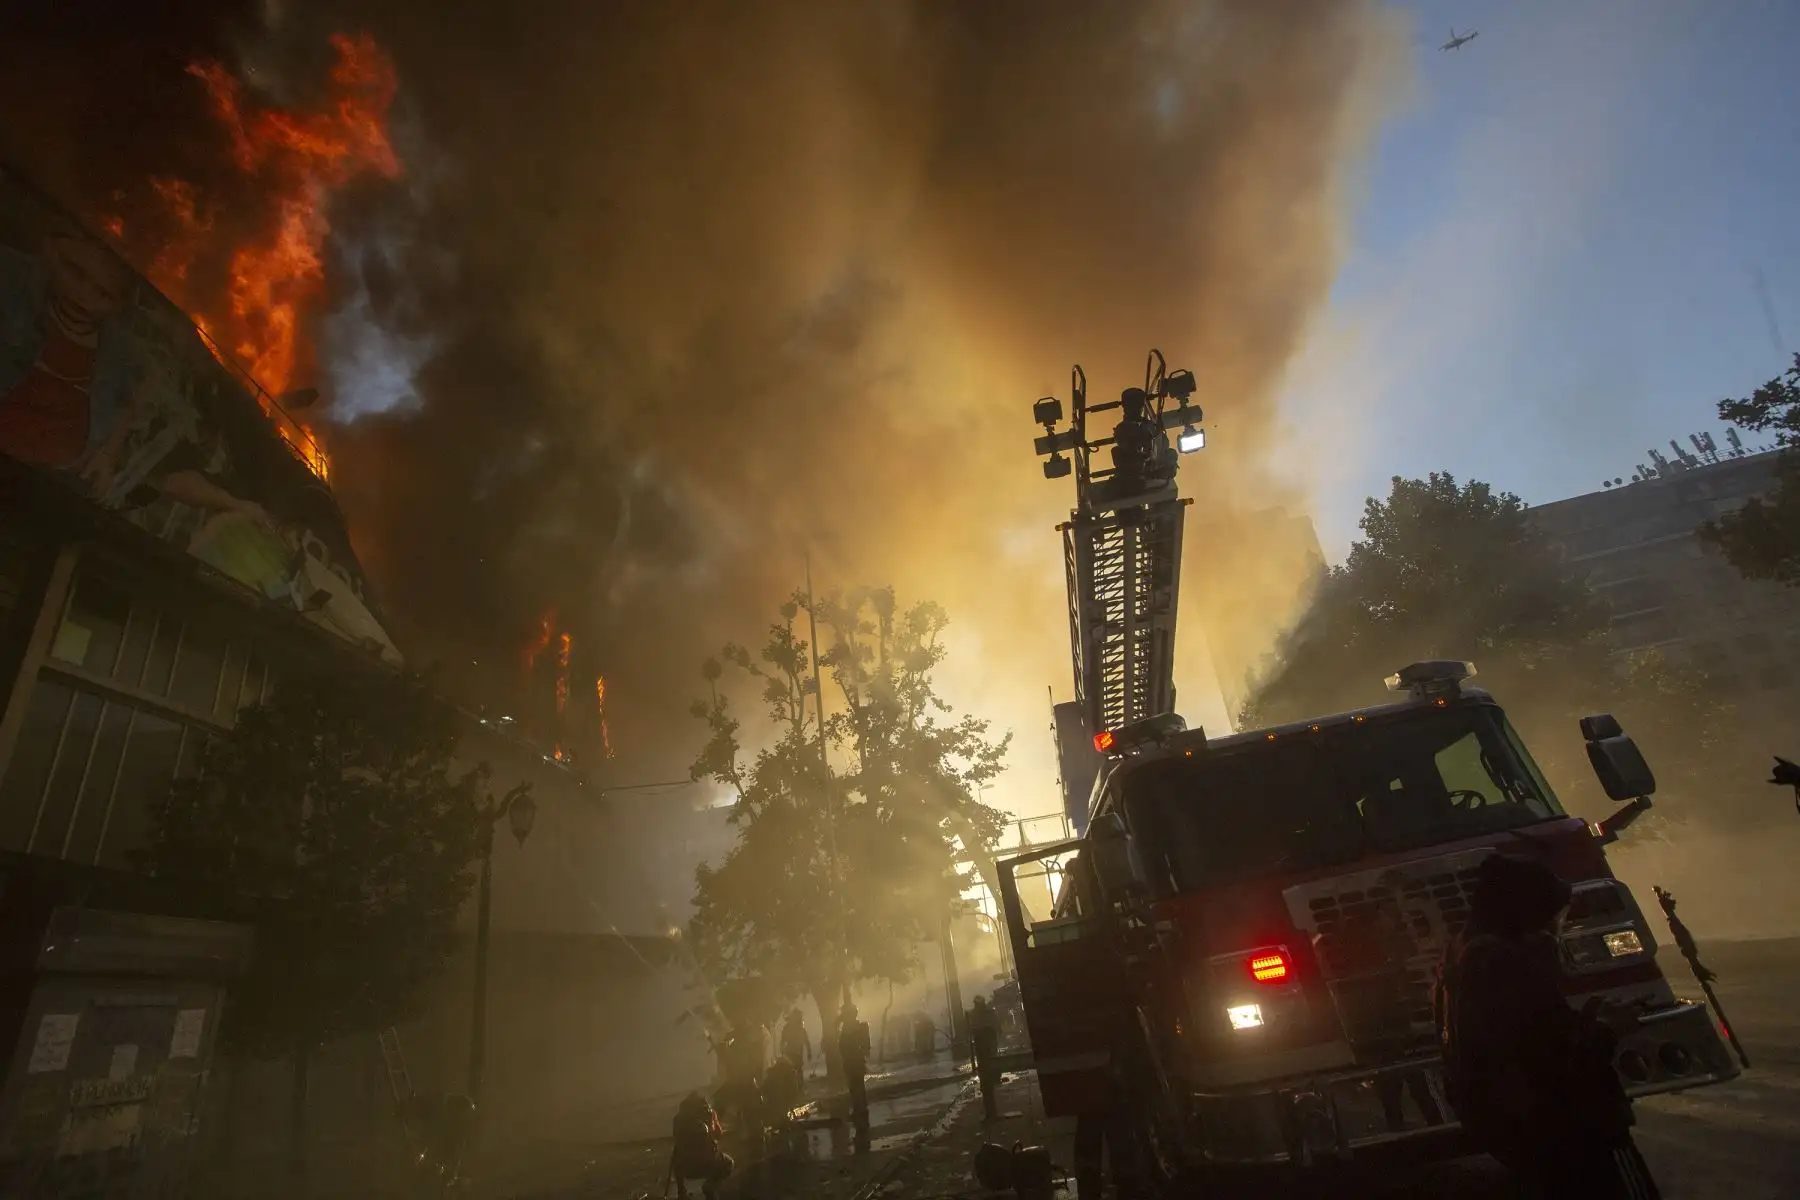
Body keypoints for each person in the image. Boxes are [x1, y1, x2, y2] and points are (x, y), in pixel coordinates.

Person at [1435, 853, 1660, 1199]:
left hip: (1521, 1133)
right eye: (1548, 914)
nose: (1553, 926)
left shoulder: (1463, 954)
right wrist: (1610, 1029)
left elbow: (1523, 1032)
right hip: (1564, 1133)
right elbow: (1554, 1061)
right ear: (1522, 911)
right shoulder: (1501, 964)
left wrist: (1593, 1011)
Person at [668, 1092, 733, 1200]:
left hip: (686, 1169)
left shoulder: (678, 1119)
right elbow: (719, 1135)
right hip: (708, 1165)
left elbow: (677, 1140)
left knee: (676, 1153)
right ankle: (711, 1185)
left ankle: (681, 1192)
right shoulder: (710, 1113)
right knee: (729, 1163)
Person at [838, 1002, 872, 1151]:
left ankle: (861, 1111)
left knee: (857, 1086)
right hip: (850, 1063)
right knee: (855, 1087)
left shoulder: (859, 1027)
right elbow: (842, 1047)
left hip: (855, 1062)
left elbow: (865, 1045)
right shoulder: (846, 1029)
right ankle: (860, 1110)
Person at [969, 995, 1001, 1122]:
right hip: (985, 1055)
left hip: (986, 1055)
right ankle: (990, 1114)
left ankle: (991, 1114)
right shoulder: (986, 1014)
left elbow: (995, 1029)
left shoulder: (983, 1015)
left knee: (987, 1085)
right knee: (987, 1085)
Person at [779, 1009, 811, 1081]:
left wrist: (809, 1052)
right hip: (792, 1053)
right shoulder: (794, 1028)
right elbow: (806, 1042)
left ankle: (798, 1086)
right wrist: (809, 1052)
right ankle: (797, 1086)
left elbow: (806, 1041)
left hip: (794, 1052)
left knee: (796, 1069)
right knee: (794, 1070)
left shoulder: (796, 1028)